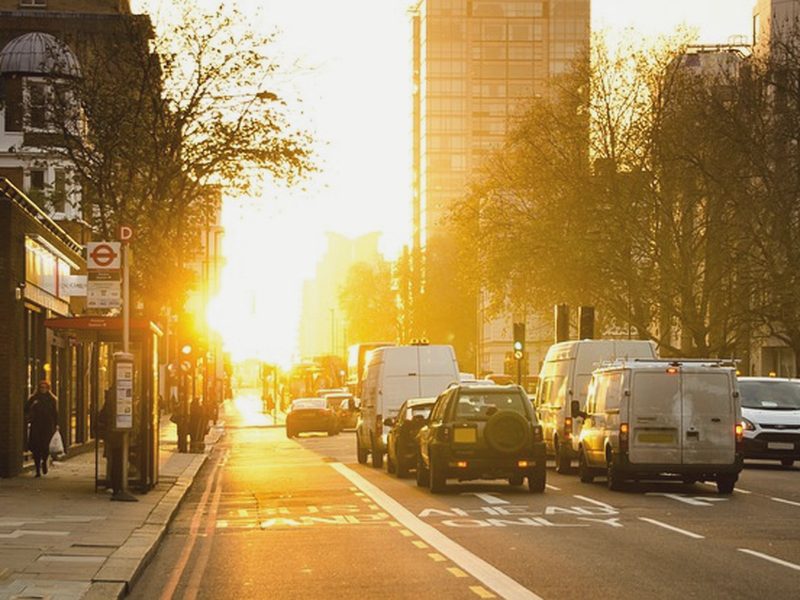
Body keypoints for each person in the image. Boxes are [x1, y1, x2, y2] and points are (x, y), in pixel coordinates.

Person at [25, 380, 59, 477]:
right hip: (36, 425)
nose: (43, 389)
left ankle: (44, 461)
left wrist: (56, 424)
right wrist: (33, 405)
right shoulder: (34, 398)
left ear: (48, 389)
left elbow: (55, 413)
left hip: (47, 426)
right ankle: (37, 470)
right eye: (41, 388)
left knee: (45, 446)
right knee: (36, 447)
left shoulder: (52, 399)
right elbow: (26, 409)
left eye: (45, 388)